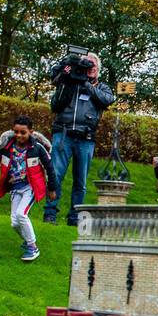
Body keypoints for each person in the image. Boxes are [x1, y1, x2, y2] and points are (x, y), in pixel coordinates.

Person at [44, 50, 114, 226]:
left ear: (98, 69)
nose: (89, 68)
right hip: (64, 133)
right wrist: (67, 72)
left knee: (80, 181)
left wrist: (87, 85)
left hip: (86, 138)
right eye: (86, 64)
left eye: (93, 65)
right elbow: (55, 97)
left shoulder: (101, 87)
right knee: (56, 175)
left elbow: (107, 100)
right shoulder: (69, 82)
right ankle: (50, 213)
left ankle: (74, 217)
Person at [0, 115, 58, 262]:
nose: (19, 135)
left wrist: (52, 188)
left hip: (30, 187)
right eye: (16, 132)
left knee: (21, 215)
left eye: (23, 132)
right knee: (15, 222)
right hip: (15, 187)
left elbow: (50, 169)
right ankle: (27, 240)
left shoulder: (37, 149)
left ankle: (32, 247)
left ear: (31, 132)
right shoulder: (7, 147)